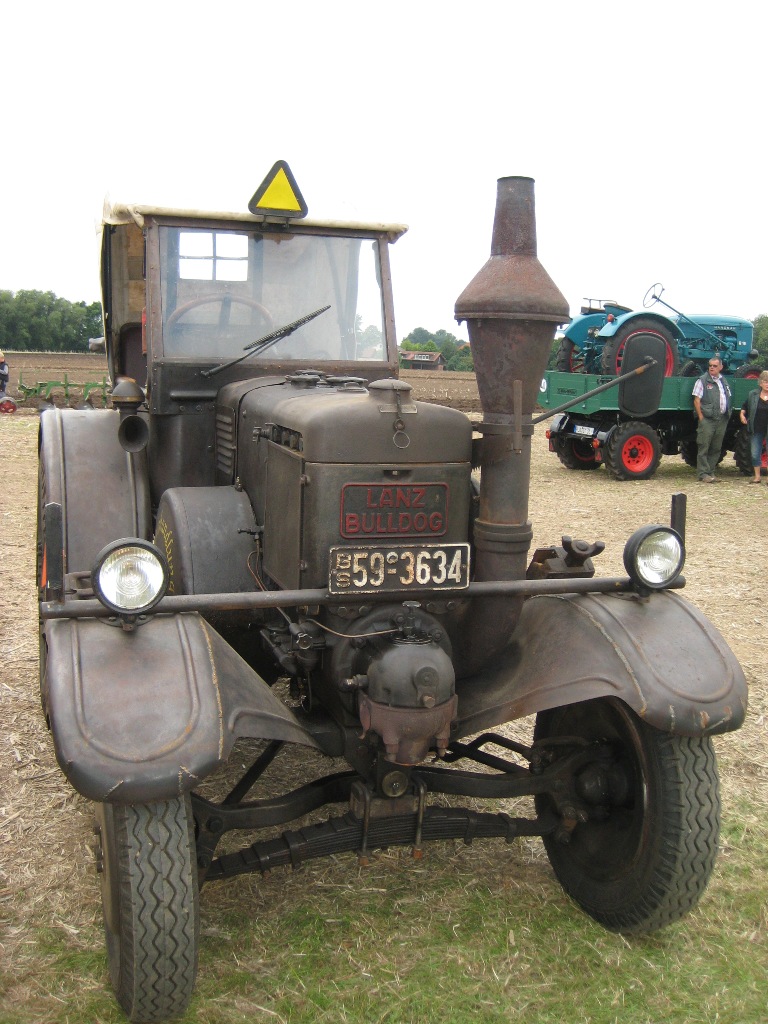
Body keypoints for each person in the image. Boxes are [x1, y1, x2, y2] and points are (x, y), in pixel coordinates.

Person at [692, 356, 732, 483]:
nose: (712, 368)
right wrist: (701, 417)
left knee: (716, 447)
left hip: (721, 419)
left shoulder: (723, 381)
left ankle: (710, 472)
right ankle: (703, 473)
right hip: (708, 419)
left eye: (715, 366)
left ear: (721, 367)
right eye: (710, 365)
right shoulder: (702, 380)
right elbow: (696, 400)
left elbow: (727, 396)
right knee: (704, 446)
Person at [739, 369, 768, 483]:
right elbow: (745, 407)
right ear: (760, 383)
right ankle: (757, 477)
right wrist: (742, 415)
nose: (767, 384)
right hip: (756, 428)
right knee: (755, 453)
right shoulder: (753, 394)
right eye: (765, 381)